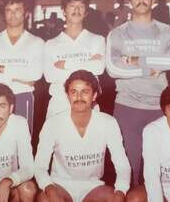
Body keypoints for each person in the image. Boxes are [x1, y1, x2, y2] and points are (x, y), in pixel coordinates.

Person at [106, 0, 170, 186]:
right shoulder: (117, 33)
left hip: (159, 105)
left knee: (159, 166)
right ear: (130, 1)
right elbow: (113, 69)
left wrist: (135, 60)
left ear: (154, 0)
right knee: (129, 168)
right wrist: (152, 67)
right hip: (127, 106)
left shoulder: (168, 31)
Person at [35, 70, 131, 202]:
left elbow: (122, 165)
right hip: (61, 185)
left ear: (94, 96)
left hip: (93, 187)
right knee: (45, 199)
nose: (79, 97)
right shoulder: (53, 124)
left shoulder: (108, 123)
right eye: (74, 92)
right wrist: (49, 188)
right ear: (68, 96)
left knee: (113, 198)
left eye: (85, 92)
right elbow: (39, 166)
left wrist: (120, 190)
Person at [0, 0, 44, 134]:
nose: (13, 14)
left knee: (21, 146)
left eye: (17, 10)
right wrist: (21, 75)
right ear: (4, 14)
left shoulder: (37, 42)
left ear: (26, 13)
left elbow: (35, 75)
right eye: (9, 10)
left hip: (22, 97)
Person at [44, 0, 105, 118]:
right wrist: (88, 64)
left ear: (86, 12)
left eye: (81, 6)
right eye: (72, 5)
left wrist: (65, 64)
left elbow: (98, 68)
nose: (76, 10)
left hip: (88, 104)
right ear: (63, 10)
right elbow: (50, 76)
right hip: (59, 105)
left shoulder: (97, 40)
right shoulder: (51, 44)